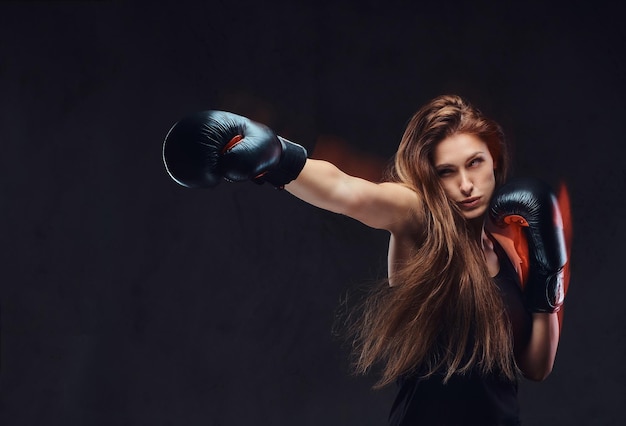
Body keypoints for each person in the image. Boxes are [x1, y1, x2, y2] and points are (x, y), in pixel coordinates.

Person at [162, 94, 569, 425]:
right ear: (430, 179)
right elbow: (349, 192)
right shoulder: (418, 218)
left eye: (475, 164)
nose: (465, 184)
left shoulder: (507, 249)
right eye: (447, 172)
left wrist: (547, 279)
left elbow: (535, 366)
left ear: (494, 163)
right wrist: (276, 157)